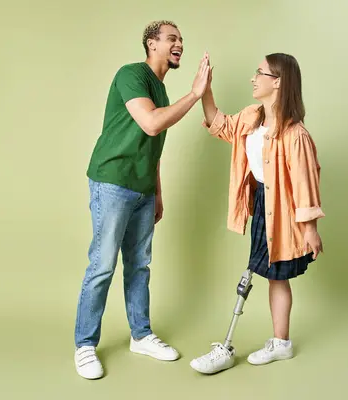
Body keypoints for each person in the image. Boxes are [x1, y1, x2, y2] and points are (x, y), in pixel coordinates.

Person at [74, 20, 211, 380]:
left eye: (181, 38)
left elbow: (153, 147)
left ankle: (141, 334)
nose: (179, 43)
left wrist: (157, 192)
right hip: (112, 181)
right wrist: (196, 94)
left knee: (139, 265)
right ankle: (85, 344)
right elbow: (151, 124)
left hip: (142, 189)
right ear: (152, 44)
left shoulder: (162, 92)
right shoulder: (131, 74)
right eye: (171, 38)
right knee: (103, 264)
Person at [190, 53, 325, 374]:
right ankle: (281, 343)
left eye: (259, 73)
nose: (253, 78)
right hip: (263, 205)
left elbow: (306, 182)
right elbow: (220, 125)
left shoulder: (295, 135)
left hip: (286, 213)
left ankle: (250, 344)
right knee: (271, 275)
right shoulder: (252, 117)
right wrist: (204, 91)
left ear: (277, 82)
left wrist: (309, 228)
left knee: (268, 273)